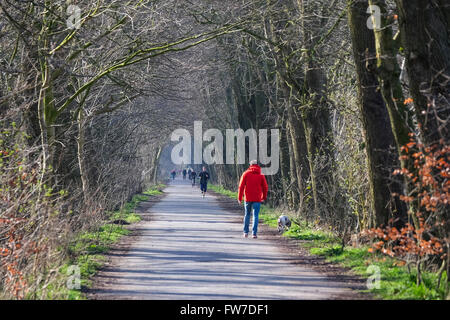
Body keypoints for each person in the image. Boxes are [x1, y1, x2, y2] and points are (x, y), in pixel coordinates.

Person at [238, 160, 268, 239]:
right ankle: (254, 233)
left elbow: (241, 187)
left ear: (250, 165)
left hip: (248, 198)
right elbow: (265, 187)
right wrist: (264, 197)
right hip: (257, 198)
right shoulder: (261, 174)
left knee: (247, 214)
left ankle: (245, 232)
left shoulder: (246, 174)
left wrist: (240, 198)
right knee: (255, 216)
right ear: (257, 165)